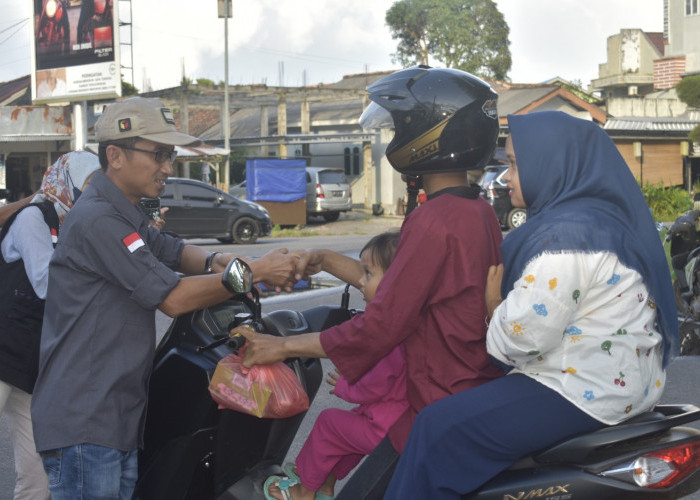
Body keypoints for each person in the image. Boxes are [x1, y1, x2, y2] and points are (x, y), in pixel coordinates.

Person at [238, 66, 505, 499]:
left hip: (436, 398)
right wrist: (323, 258)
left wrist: (283, 346)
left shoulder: (434, 220)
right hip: (460, 389)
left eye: (400, 126)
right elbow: (397, 282)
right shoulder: (476, 211)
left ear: (428, 135)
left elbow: (383, 322)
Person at [383, 110, 678, 499]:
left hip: (581, 389)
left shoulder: (564, 241)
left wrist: (493, 307)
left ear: (553, 164)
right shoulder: (599, 220)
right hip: (625, 384)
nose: (507, 178)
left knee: (437, 428)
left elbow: (521, 339)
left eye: (516, 165)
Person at [30, 96, 301, 499]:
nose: (168, 167)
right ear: (115, 155)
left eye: (170, 155)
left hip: (114, 419)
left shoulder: (123, 211)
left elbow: (175, 252)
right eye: (158, 154)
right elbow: (172, 297)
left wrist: (223, 259)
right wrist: (253, 272)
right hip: (86, 421)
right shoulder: (99, 219)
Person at [266, 231, 409, 500]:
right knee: (345, 432)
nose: (361, 281)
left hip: (385, 427)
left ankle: (303, 490)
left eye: (368, 274)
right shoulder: (404, 323)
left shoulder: (389, 333)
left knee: (328, 422)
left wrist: (346, 386)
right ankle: (325, 487)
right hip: (392, 418)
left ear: (394, 282)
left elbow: (376, 385)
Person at [0, 151, 101, 500]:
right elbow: (46, 283)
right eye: (89, 184)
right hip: (3, 353)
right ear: (68, 181)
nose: (94, 193)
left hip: (31, 366)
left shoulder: (73, 223)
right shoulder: (34, 217)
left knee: (38, 477)